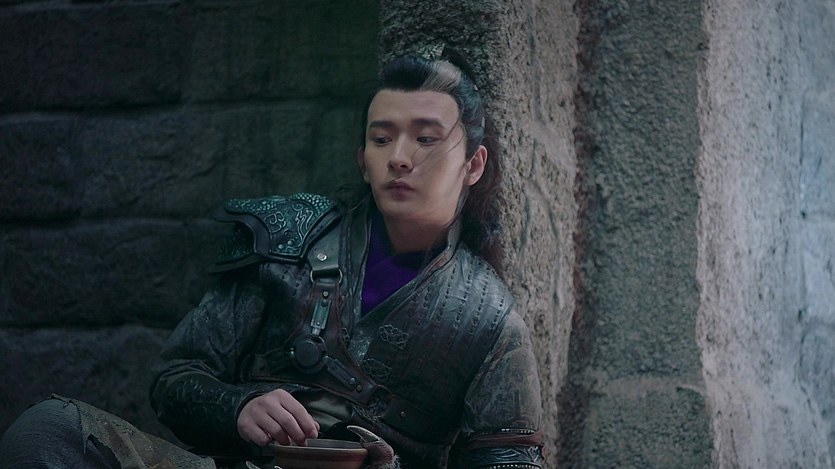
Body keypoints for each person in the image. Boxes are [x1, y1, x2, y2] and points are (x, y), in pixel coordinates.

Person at [0, 51, 543, 469]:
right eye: (382, 139)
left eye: (425, 138)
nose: (399, 157)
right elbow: (176, 381)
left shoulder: (491, 323)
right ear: (362, 158)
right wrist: (237, 408)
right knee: (49, 430)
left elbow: (511, 462)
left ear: (473, 165)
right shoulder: (288, 240)